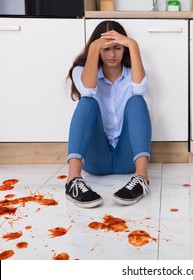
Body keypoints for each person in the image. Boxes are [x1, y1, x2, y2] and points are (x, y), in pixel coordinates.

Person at [65, 20, 152, 208]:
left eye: (117, 48)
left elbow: (140, 88)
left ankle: (142, 178)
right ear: (96, 50)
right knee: (87, 102)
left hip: (127, 158)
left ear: (124, 49)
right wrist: (94, 48)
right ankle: (72, 181)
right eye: (105, 49)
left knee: (137, 100)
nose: (112, 54)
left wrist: (133, 44)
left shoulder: (132, 72)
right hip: (97, 160)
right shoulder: (81, 71)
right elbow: (87, 91)